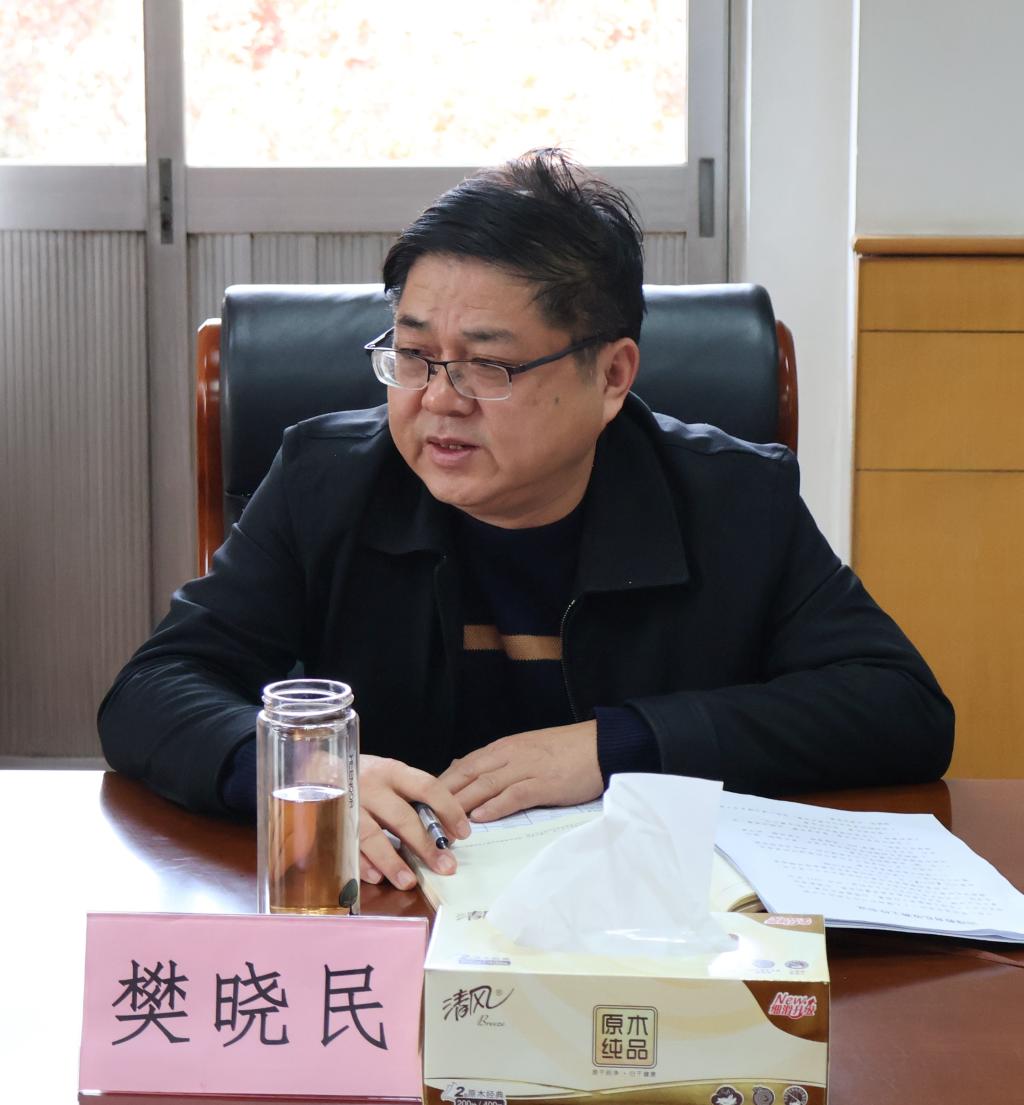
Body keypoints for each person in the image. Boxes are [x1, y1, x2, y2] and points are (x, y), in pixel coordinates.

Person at [99, 148, 953, 892]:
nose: (438, 400)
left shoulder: (733, 500)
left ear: (612, 376)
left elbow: (899, 706)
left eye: (487, 366)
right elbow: (151, 689)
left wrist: (615, 747)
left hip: (640, 924)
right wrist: (310, 772)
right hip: (399, 910)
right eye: (412, 354)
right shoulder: (326, 482)